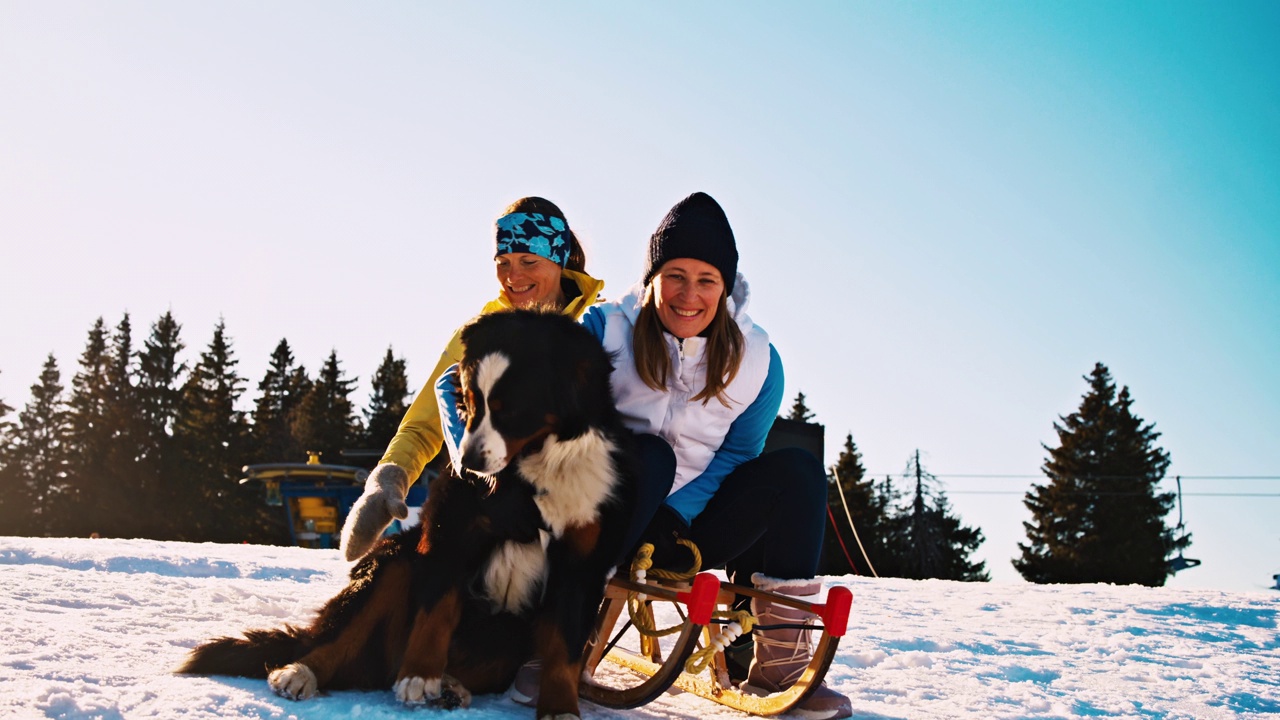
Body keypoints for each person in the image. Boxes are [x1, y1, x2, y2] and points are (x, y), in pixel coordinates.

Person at [487, 192, 851, 719]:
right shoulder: (606, 329)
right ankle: (562, 640)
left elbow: (739, 454)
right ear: (651, 278)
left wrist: (673, 521)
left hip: (689, 527)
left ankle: (782, 670)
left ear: (726, 289)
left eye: (707, 280)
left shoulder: (757, 362)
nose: (689, 294)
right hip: (600, 510)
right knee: (649, 454)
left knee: (797, 472)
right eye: (675, 275)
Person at [338, 196, 605, 562]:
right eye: (503, 263)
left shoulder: (598, 322)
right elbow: (423, 425)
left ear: (557, 259)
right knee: (453, 380)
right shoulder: (478, 334)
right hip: (494, 486)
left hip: (577, 490)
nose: (514, 276)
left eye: (529, 261)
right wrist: (388, 478)